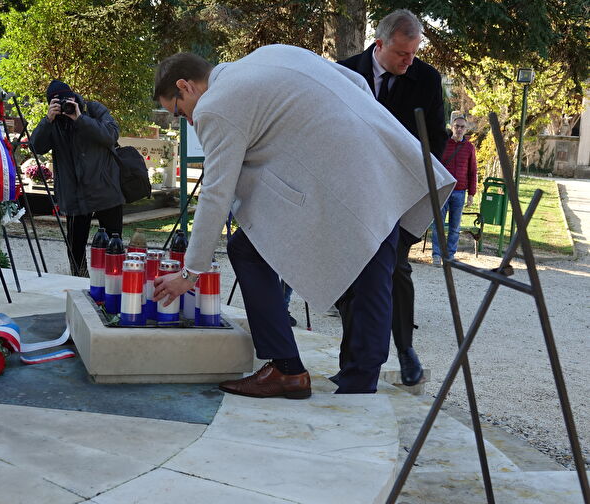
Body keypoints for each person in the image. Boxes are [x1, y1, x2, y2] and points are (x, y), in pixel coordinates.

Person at [151, 45, 454, 397]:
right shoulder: (268, 54)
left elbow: (216, 192)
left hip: (340, 176)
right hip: (379, 157)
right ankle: (359, 383)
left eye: (177, 111)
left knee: (246, 250)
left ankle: (287, 369)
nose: (186, 120)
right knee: (374, 269)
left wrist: (191, 273)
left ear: (185, 86)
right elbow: (354, 81)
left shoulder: (216, 106)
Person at [336, 9, 448, 387]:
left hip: (401, 190)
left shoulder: (426, 80)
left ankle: (405, 349)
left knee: (395, 267)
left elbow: (436, 140)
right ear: (379, 44)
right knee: (353, 270)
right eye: (402, 54)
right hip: (352, 190)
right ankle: (351, 359)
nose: (409, 61)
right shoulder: (345, 72)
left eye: (414, 53)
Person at [29, 80, 124, 276]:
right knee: (76, 251)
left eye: (67, 99)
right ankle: (80, 283)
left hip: (105, 189)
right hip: (74, 195)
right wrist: (47, 120)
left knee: (113, 247)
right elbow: (37, 147)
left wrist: (79, 118)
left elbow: (110, 135)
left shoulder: (93, 109)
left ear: (74, 96)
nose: (65, 104)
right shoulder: (53, 123)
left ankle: (113, 285)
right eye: (58, 101)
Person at [431, 114, 478, 265]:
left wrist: (471, 194)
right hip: (443, 189)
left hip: (459, 191)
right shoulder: (444, 144)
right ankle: (437, 255)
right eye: (456, 126)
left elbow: (472, 171)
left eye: (462, 127)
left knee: (454, 227)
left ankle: (450, 256)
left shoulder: (469, 148)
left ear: (466, 129)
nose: (459, 129)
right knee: (438, 224)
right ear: (452, 127)